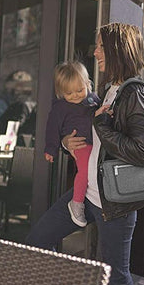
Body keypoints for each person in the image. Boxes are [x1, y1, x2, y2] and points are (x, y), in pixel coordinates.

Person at [27, 23, 144, 285]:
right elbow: (85, 136)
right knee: (37, 241)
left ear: (116, 49)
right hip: (86, 193)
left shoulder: (135, 93)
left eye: (100, 46)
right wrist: (64, 143)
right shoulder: (108, 89)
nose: (95, 51)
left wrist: (102, 127)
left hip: (116, 203)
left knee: (117, 277)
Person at [43, 61, 100, 227]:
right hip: (80, 144)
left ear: (87, 84)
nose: (75, 95)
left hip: (94, 144)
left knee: (92, 171)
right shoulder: (60, 108)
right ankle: (76, 203)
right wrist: (51, 149)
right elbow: (52, 129)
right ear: (61, 93)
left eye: (80, 90)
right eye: (69, 93)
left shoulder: (93, 99)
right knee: (85, 172)